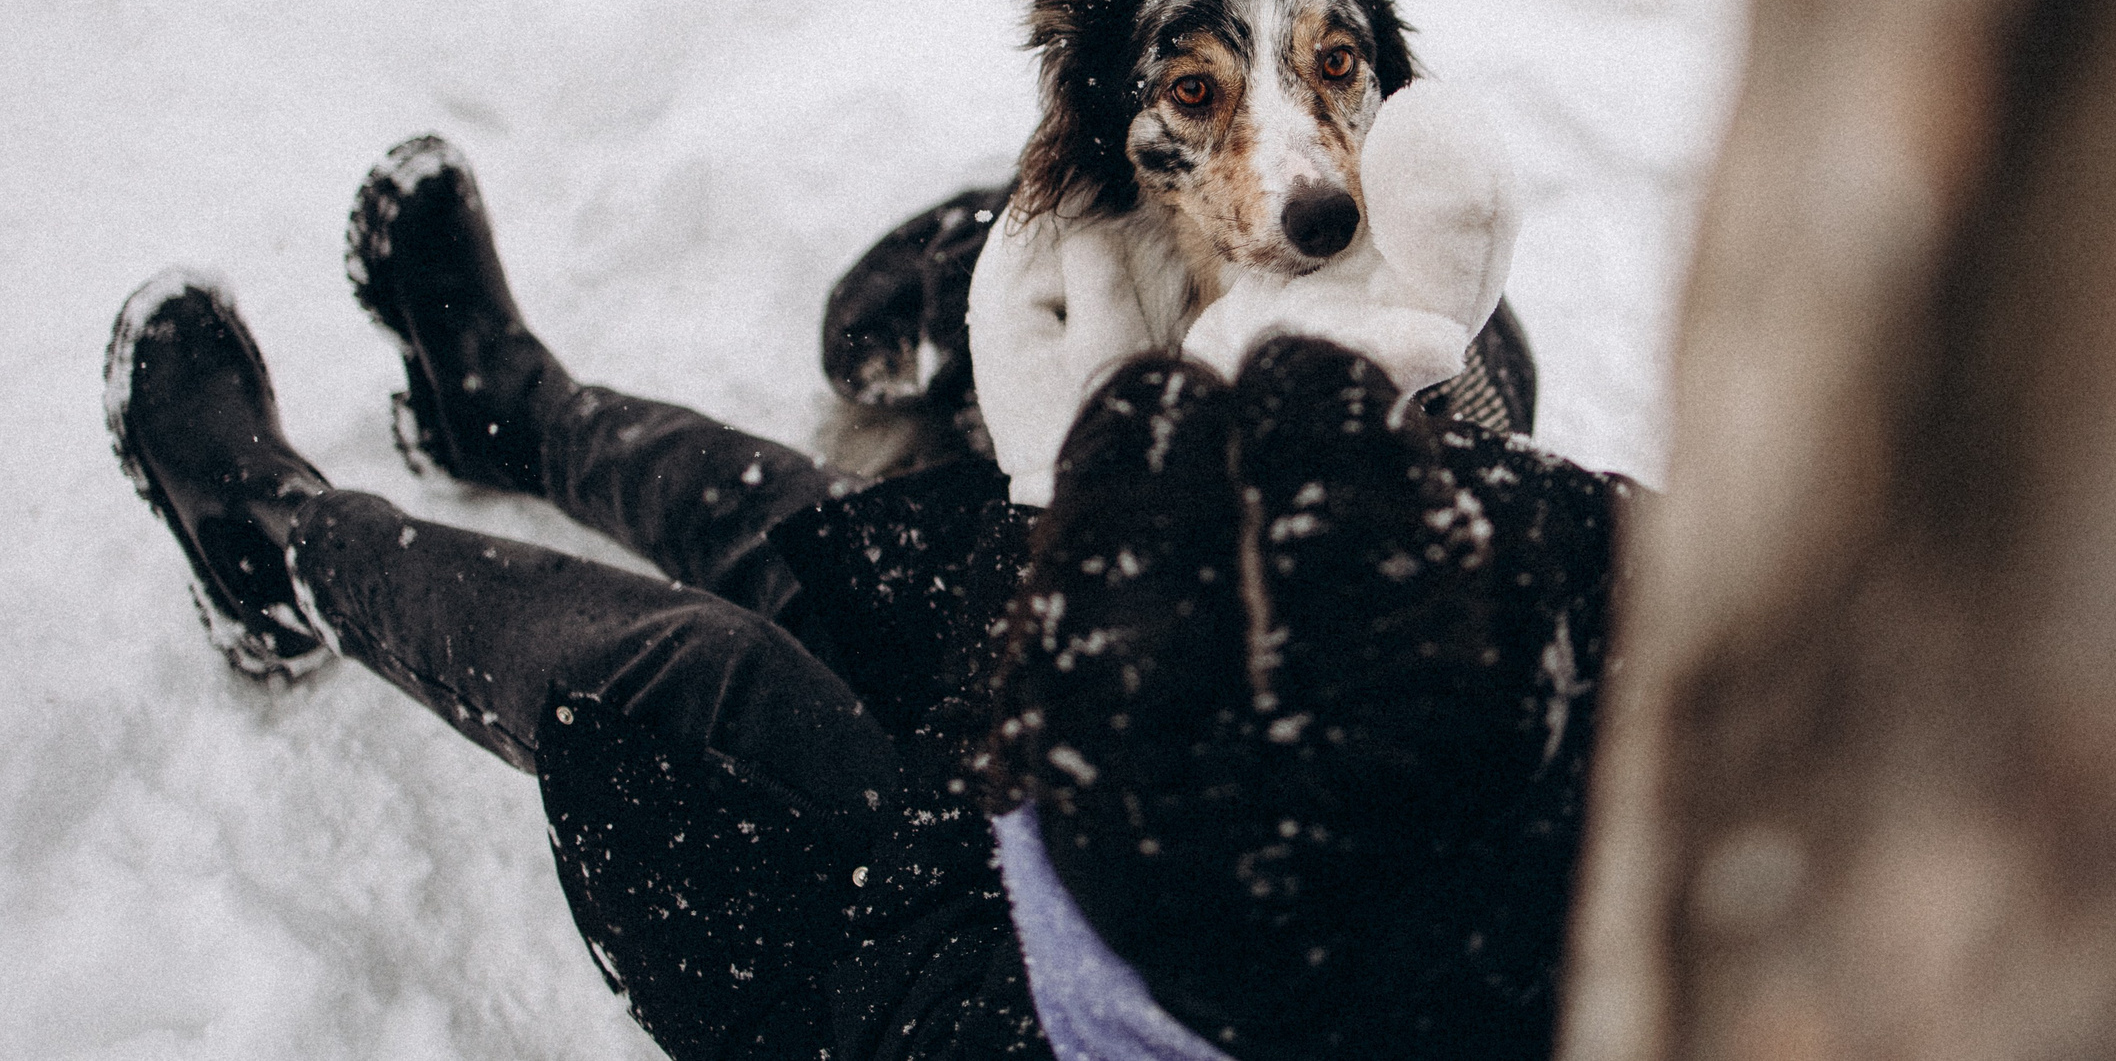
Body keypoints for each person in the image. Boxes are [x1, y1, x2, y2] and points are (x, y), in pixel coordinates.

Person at [104, 135, 1626, 1061]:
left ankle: (272, 540)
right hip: (1177, 756)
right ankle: (513, 410)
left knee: (681, 680)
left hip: (1003, 979)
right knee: (807, 531)